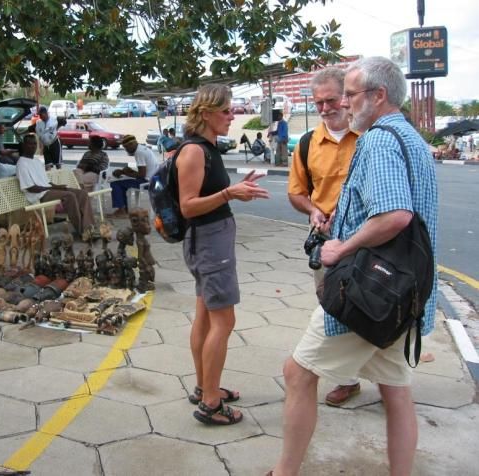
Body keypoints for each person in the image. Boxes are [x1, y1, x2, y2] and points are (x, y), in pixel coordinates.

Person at [270, 56, 437, 476]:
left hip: (370, 291)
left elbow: (394, 216)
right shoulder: (411, 138)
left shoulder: (379, 140)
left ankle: (284, 472)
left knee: (298, 372)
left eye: (350, 94)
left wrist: (341, 248)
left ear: (378, 96)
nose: (344, 103)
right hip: (404, 294)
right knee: (396, 391)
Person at [175, 84, 269, 425]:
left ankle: (205, 387)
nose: (233, 116)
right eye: (227, 111)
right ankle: (211, 404)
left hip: (211, 240)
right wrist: (230, 193)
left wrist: (233, 190)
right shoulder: (194, 151)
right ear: (206, 113)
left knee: (205, 314)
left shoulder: (209, 148)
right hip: (208, 242)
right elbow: (187, 207)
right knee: (224, 321)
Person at [287, 67, 361, 407]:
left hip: (369, 240)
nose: (325, 108)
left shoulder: (371, 135)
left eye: (331, 99)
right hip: (326, 243)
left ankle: (388, 379)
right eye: (318, 102)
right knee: (332, 306)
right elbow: (297, 193)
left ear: (347, 97)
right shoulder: (306, 143)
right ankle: (348, 379)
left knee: (378, 302)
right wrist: (313, 211)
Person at [16, 134, 95, 235]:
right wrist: (50, 188)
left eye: (34, 143)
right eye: (29, 144)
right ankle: (82, 231)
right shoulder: (22, 163)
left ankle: (90, 227)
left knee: (82, 194)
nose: (32, 146)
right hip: (38, 196)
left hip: (47, 190)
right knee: (70, 196)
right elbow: (30, 188)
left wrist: (57, 187)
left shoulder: (36, 161)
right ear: (24, 145)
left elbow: (45, 181)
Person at [108, 135, 159, 217]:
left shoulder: (139, 152)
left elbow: (142, 175)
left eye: (126, 147)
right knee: (121, 183)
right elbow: (143, 171)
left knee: (115, 183)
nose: (126, 150)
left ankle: (121, 210)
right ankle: (124, 209)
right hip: (153, 180)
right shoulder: (143, 148)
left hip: (147, 183)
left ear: (131, 144)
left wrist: (123, 172)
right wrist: (129, 171)